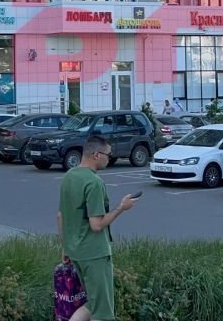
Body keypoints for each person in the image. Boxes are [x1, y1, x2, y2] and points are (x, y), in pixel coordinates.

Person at [57, 136, 138, 321]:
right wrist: (121, 208)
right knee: (102, 311)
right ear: (96, 154)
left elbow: (60, 215)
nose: (110, 158)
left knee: (93, 304)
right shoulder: (94, 182)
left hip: (75, 251)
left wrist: (65, 247)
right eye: (108, 155)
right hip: (94, 253)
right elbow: (97, 224)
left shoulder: (69, 176)